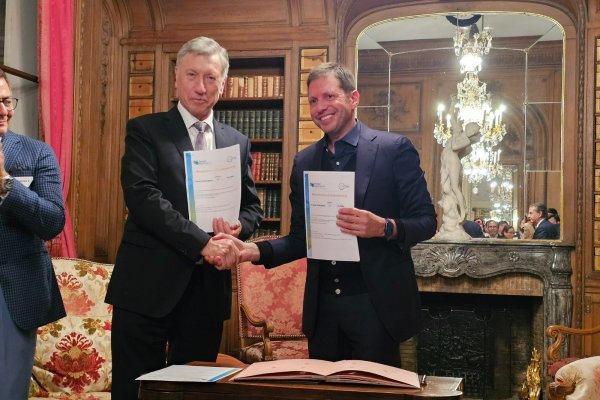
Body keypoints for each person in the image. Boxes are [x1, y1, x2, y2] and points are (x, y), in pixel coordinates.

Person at [212, 62, 436, 367]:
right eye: (313, 101)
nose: (320, 108)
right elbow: (299, 240)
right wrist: (251, 250)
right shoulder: (304, 161)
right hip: (324, 311)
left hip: (377, 308)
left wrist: (384, 227)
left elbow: (426, 221)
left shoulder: (393, 149)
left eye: (329, 97)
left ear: (353, 97)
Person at [105, 37, 263, 400]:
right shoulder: (146, 130)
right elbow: (144, 198)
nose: (200, 86)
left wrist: (239, 228)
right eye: (192, 74)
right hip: (147, 287)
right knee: (134, 391)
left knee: (192, 393)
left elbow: (253, 206)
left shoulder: (236, 141)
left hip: (205, 291)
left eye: (210, 77)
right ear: (176, 77)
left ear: (223, 84)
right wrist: (203, 242)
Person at [0, 69, 66, 399]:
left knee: (8, 390)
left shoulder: (36, 153)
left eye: (6, 100)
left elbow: (53, 222)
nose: (3, 110)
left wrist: (6, 185)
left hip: (13, 292)